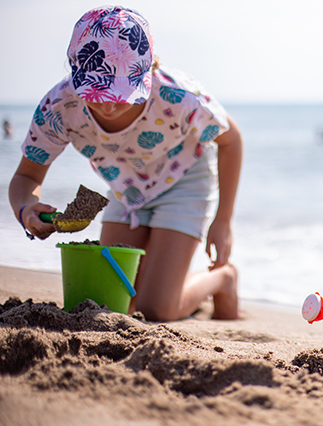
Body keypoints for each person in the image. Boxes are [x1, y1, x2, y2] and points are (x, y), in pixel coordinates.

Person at [8, 6, 243, 321]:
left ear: (146, 74)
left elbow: (231, 141)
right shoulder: (61, 107)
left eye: (119, 94)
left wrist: (223, 220)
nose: (106, 106)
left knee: (156, 308)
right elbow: (27, 175)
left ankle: (223, 278)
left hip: (184, 180)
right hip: (125, 187)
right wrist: (26, 208)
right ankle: (166, 280)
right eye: (96, 92)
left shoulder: (180, 97)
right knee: (110, 302)